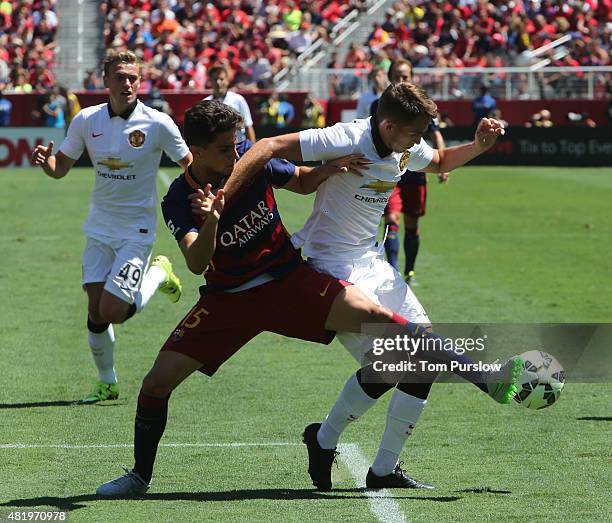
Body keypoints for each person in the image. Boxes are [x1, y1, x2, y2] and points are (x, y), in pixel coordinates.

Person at [95, 100, 521, 496]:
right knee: (156, 382)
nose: (236, 153)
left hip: (289, 281)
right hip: (228, 300)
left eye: (238, 143)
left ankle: (482, 376)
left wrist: (328, 170)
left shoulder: (250, 161)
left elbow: (297, 180)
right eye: (225, 148)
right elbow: (194, 261)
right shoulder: (178, 198)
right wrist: (214, 220)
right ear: (196, 149)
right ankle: (139, 476)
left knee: (379, 318)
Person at [220, 81, 521, 491]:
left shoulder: (403, 144)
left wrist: (478, 146)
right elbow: (269, 145)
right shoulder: (345, 136)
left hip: (374, 264)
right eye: (413, 134)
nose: (417, 143)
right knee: (403, 358)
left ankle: (376, 467)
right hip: (332, 269)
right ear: (388, 124)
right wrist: (225, 193)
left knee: (417, 364)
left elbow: (440, 160)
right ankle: (486, 379)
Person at [31, 50, 192, 403]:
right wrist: (47, 163)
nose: (128, 83)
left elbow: (190, 165)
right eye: (120, 76)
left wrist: (201, 199)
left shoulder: (158, 123)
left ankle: (158, 274)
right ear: (105, 81)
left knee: (114, 311)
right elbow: (61, 167)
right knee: (95, 309)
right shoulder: (87, 120)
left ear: (141, 81)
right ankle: (108, 382)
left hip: (136, 229)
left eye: (133, 77)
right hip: (99, 227)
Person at [378, 59, 448, 283]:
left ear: (412, 77)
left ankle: (410, 271)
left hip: (416, 173)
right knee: (391, 219)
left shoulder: (421, 105)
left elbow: (435, 133)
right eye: (397, 76)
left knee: (412, 223)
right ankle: (394, 272)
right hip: (389, 174)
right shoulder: (382, 105)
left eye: (405, 76)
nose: (401, 80)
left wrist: (442, 162)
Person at [205, 64, 256, 142]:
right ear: (210, 81)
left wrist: (253, 151)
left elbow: (248, 126)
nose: (218, 82)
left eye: (221, 79)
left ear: (227, 81)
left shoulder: (238, 100)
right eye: (215, 79)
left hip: (238, 149)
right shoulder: (205, 103)